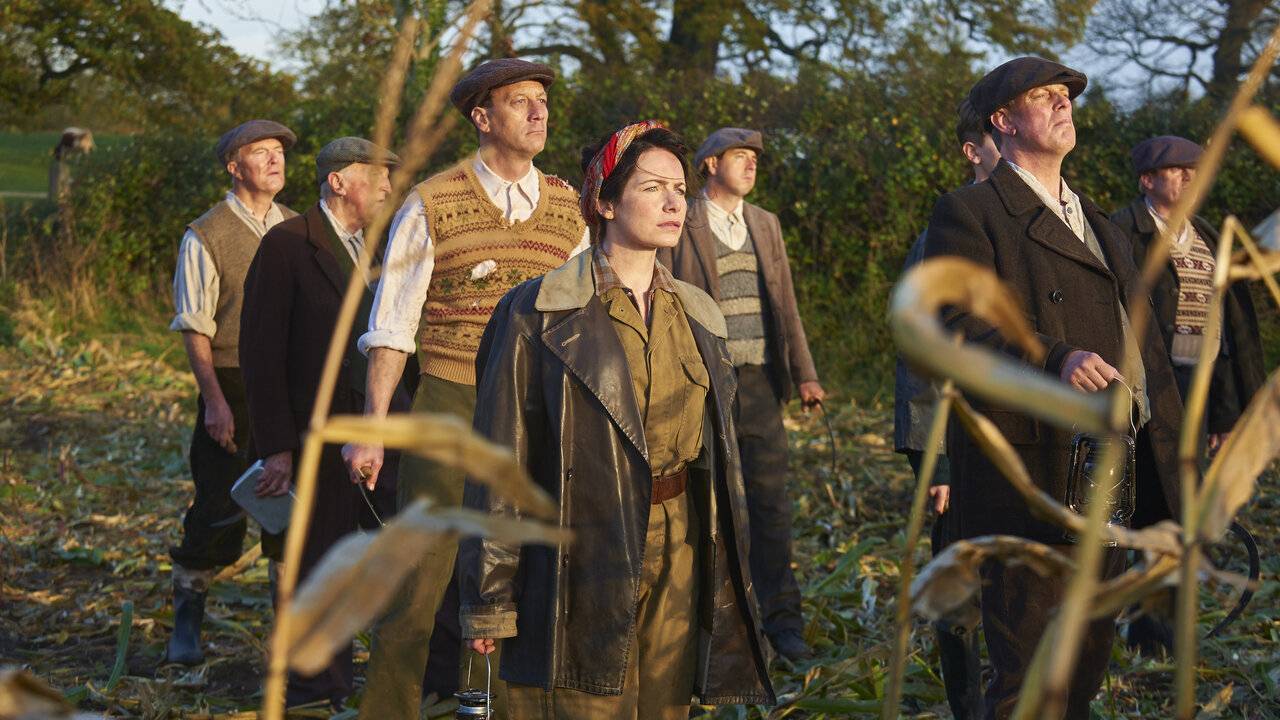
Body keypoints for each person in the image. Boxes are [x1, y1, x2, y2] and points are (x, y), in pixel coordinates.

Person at [459, 120, 774, 720]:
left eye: (679, 189)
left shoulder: (700, 315)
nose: (674, 203)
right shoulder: (536, 312)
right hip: (578, 549)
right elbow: (499, 463)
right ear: (604, 202)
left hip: (680, 543)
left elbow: (720, 464)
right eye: (652, 188)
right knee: (586, 704)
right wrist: (489, 602)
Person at [923, 58, 1185, 720]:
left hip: (1108, 472)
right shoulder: (971, 211)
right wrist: (1054, 357)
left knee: (1085, 666)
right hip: (1028, 474)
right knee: (1030, 674)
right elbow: (953, 325)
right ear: (1003, 121)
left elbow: (1146, 350)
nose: (1063, 103)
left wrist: (1171, 457)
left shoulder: (1100, 221)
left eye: (1065, 95)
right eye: (1043, 96)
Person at [344, 58, 590, 719]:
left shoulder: (568, 209)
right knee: (419, 577)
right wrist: (372, 430)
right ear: (482, 117)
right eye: (520, 101)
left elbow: (581, 326)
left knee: (515, 578)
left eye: (542, 101)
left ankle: (491, 710)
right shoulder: (431, 203)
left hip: (536, 410)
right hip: (450, 402)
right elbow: (392, 327)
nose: (538, 112)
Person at [239, 137, 411, 706]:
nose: (388, 187)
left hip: (381, 430)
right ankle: (317, 691)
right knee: (320, 563)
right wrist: (277, 448)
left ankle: (396, 683)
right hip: (316, 437)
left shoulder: (381, 246)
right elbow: (260, 354)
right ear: (338, 182)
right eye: (377, 175)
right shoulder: (288, 244)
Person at [656, 127, 823, 661]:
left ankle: (783, 623)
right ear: (710, 164)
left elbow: (785, 304)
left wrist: (804, 374)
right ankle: (723, 627)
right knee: (716, 507)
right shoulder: (683, 220)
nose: (751, 165)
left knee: (771, 506)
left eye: (754, 158)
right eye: (740, 157)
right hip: (706, 384)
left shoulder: (765, 224)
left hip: (761, 384)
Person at [165, 119, 298, 666]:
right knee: (218, 507)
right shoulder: (207, 234)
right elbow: (195, 326)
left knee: (290, 511)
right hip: (234, 385)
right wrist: (216, 401)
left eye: (278, 151)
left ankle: (286, 639)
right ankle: (186, 624)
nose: (274, 159)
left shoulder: (297, 227)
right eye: (260, 152)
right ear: (233, 166)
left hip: (290, 387)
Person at [894, 98, 999, 720]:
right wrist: (935, 462)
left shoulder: (1045, 228)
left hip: (1033, 445)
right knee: (960, 588)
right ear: (973, 151)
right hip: (962, 445)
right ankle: (968, 706)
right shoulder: (943, 237)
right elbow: (920, 353)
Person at [1110, 136, 1265, 452]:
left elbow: (1225, 329)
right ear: (1147, 180)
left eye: (1194, 170)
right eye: (1177, 169)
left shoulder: (1208, 236)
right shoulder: (1120, 231)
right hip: (1145, 387)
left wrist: (1225, 414)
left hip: (1202, 388)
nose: (1189, 178)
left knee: (1191, 476)